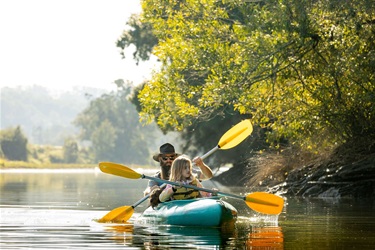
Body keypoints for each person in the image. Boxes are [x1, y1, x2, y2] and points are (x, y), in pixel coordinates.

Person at [143, 143, 213, 196]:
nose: (168, 160)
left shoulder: (187, 172)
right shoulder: (155, 178)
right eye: (165, 158)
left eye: (171, 157)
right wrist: (151, 191)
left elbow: (208, 176)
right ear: (160, 159)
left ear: (176, 158)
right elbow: (147, 192)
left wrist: (201, 165)